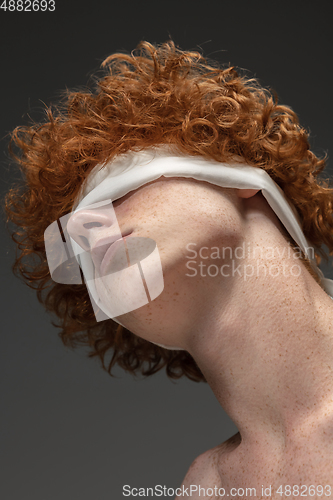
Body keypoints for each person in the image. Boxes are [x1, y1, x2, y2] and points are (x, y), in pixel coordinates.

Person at [4, 40, 333, 498]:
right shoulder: (206, 488)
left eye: (117, 190)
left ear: (237, 173)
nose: (86, 229)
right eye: (74, 243)